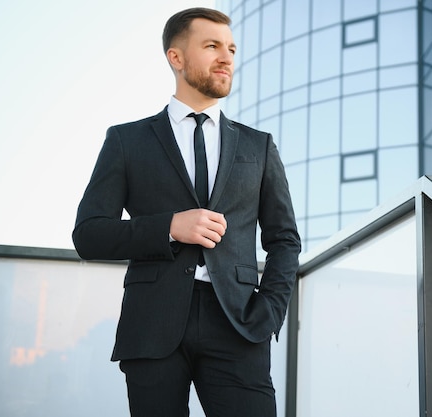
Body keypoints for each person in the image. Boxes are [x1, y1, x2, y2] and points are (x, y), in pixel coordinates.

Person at [72, 7, 301, 417]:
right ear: (175, 58)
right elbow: (89, 234)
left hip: (239, 324)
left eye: (231, 48)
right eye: (211, 46)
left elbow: (284, 239)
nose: (227, 57)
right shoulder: (127, 141)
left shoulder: (259, 146)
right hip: (152, 323)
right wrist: (170, 228)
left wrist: (269, 310)